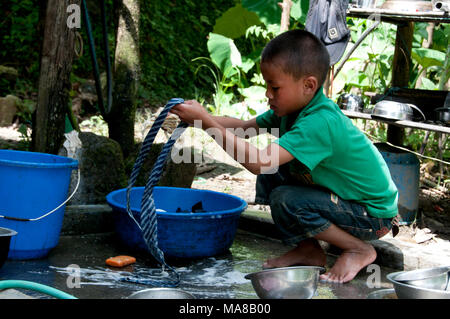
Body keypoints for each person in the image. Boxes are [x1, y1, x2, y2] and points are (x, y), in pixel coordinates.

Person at [170, 29, 398, 283]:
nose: (268, 93)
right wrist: (195, 120)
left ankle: (358, 249)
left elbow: (258, 163)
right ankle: (309, 249)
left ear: (308, 85)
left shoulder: (319, 122)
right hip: (346, 201)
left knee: (285, 196)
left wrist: (205, 121)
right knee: (276, 171)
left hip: (372, 215)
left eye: (275, 87)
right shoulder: (293, 110)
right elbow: (244, 129)